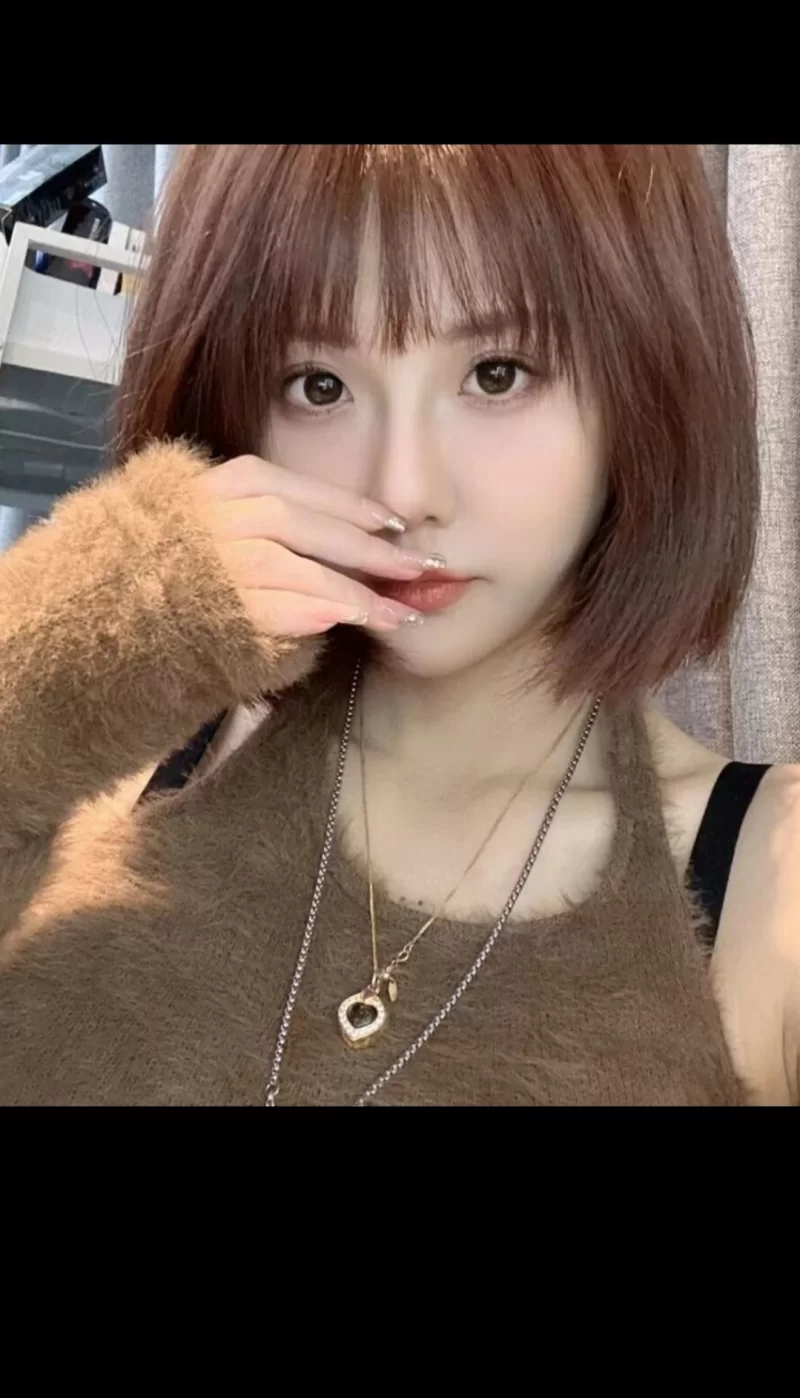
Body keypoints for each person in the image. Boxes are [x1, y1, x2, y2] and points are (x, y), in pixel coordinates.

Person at [1, 144, 798, 1106]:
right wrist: (113, 610)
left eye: (497, 374)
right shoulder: (120, 757)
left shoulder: (769, 885)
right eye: (318, 386)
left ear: (647, 383)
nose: (403, 490)